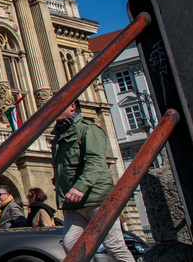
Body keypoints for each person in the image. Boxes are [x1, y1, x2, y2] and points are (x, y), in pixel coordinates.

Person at [52, 100, 134, 262]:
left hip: (97, 199)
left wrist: (80, 187)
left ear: (72, 106)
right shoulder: (58, 135)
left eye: (57, 105)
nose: (53, 110)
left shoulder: (88, 129)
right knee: (71, 245)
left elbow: (95, 162)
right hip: (74, 204)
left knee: (114, 245)